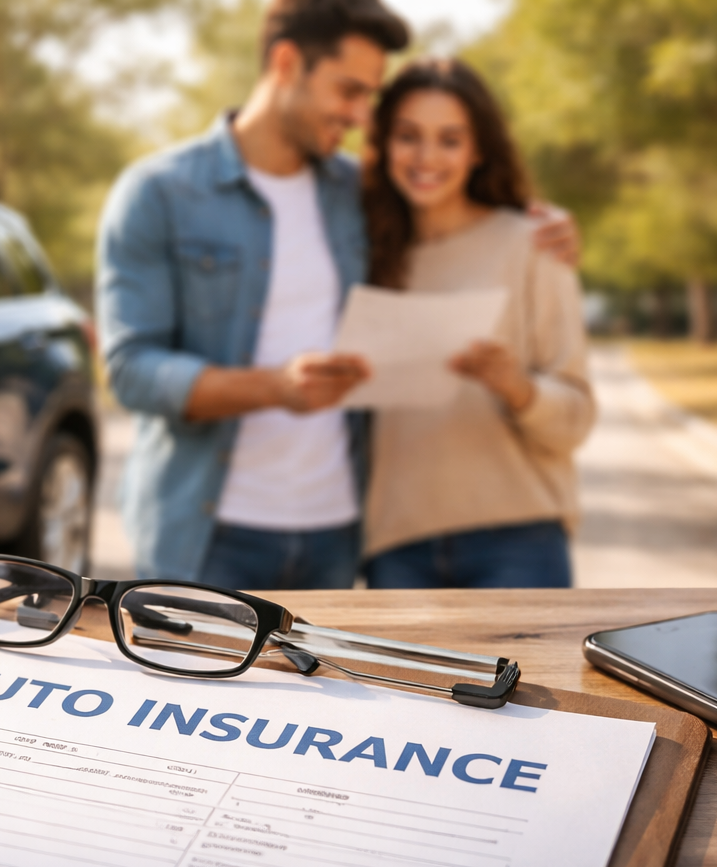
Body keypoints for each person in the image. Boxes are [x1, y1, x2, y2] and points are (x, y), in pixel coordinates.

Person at [97, 0, 579, 592]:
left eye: (368, 96)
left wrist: (547, 225)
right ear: (286, 62)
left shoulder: (358, 194)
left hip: (337, 538)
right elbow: (130, 370)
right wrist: (274, 387)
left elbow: (457, 212)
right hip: (207, 534)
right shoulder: (158, 193)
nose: (359, 116)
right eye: (348, 91)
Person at [359, 58, 595, 589]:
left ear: (478, 149)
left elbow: (577, 418)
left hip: (518, 539)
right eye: (408, 136)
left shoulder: (533, 244)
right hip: (395, 547)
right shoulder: (364, 251)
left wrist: (517, 387)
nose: (426, 157)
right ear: (382, 143)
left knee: (531, 678)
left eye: (449, 139)